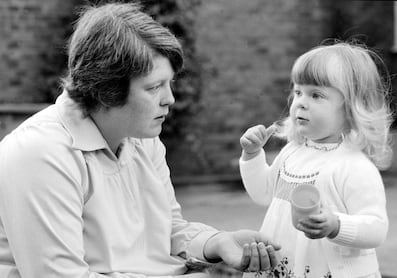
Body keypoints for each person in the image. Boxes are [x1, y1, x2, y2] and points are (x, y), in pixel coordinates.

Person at [0, 2, 281, 278]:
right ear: (106, 88)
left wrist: (215, 243)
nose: (170, 99)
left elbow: (169, 230)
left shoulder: (141, 137)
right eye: (154, 87)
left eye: (169, 83)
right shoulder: (40, 154)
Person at [239, 41, 392, 278]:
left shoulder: (353, 166)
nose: (300, 101)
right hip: (285, 267)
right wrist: (252, 155)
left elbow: (377, 229)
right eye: (298, 91)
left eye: (316, 95)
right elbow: (263, 194)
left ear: (351, 108)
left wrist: (336, 225)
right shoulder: (292, 152)